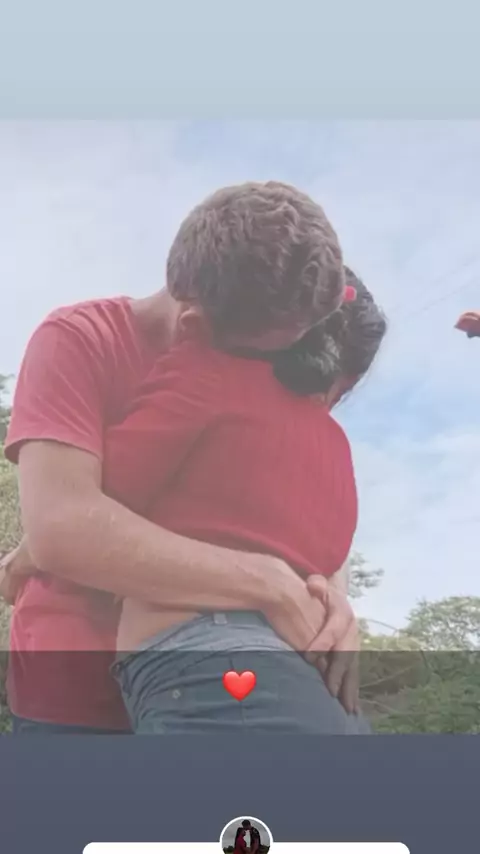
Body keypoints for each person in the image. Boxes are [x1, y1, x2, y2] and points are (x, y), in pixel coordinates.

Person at [1, 181, 355, 735]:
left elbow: (296, 503)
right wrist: (269, 583)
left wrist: (332, 598)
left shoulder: (261, 361)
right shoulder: (78, 339)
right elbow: (64, 529)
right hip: (78, 696)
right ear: (193, 323)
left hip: (243, 677)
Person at [103, 268, 387, 734]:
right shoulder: (336, 448)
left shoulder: (208, 375)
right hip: (326, 691)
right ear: (347, 380)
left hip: (213, 669)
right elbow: (326, 560)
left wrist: (31, 551)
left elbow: (97, 502)